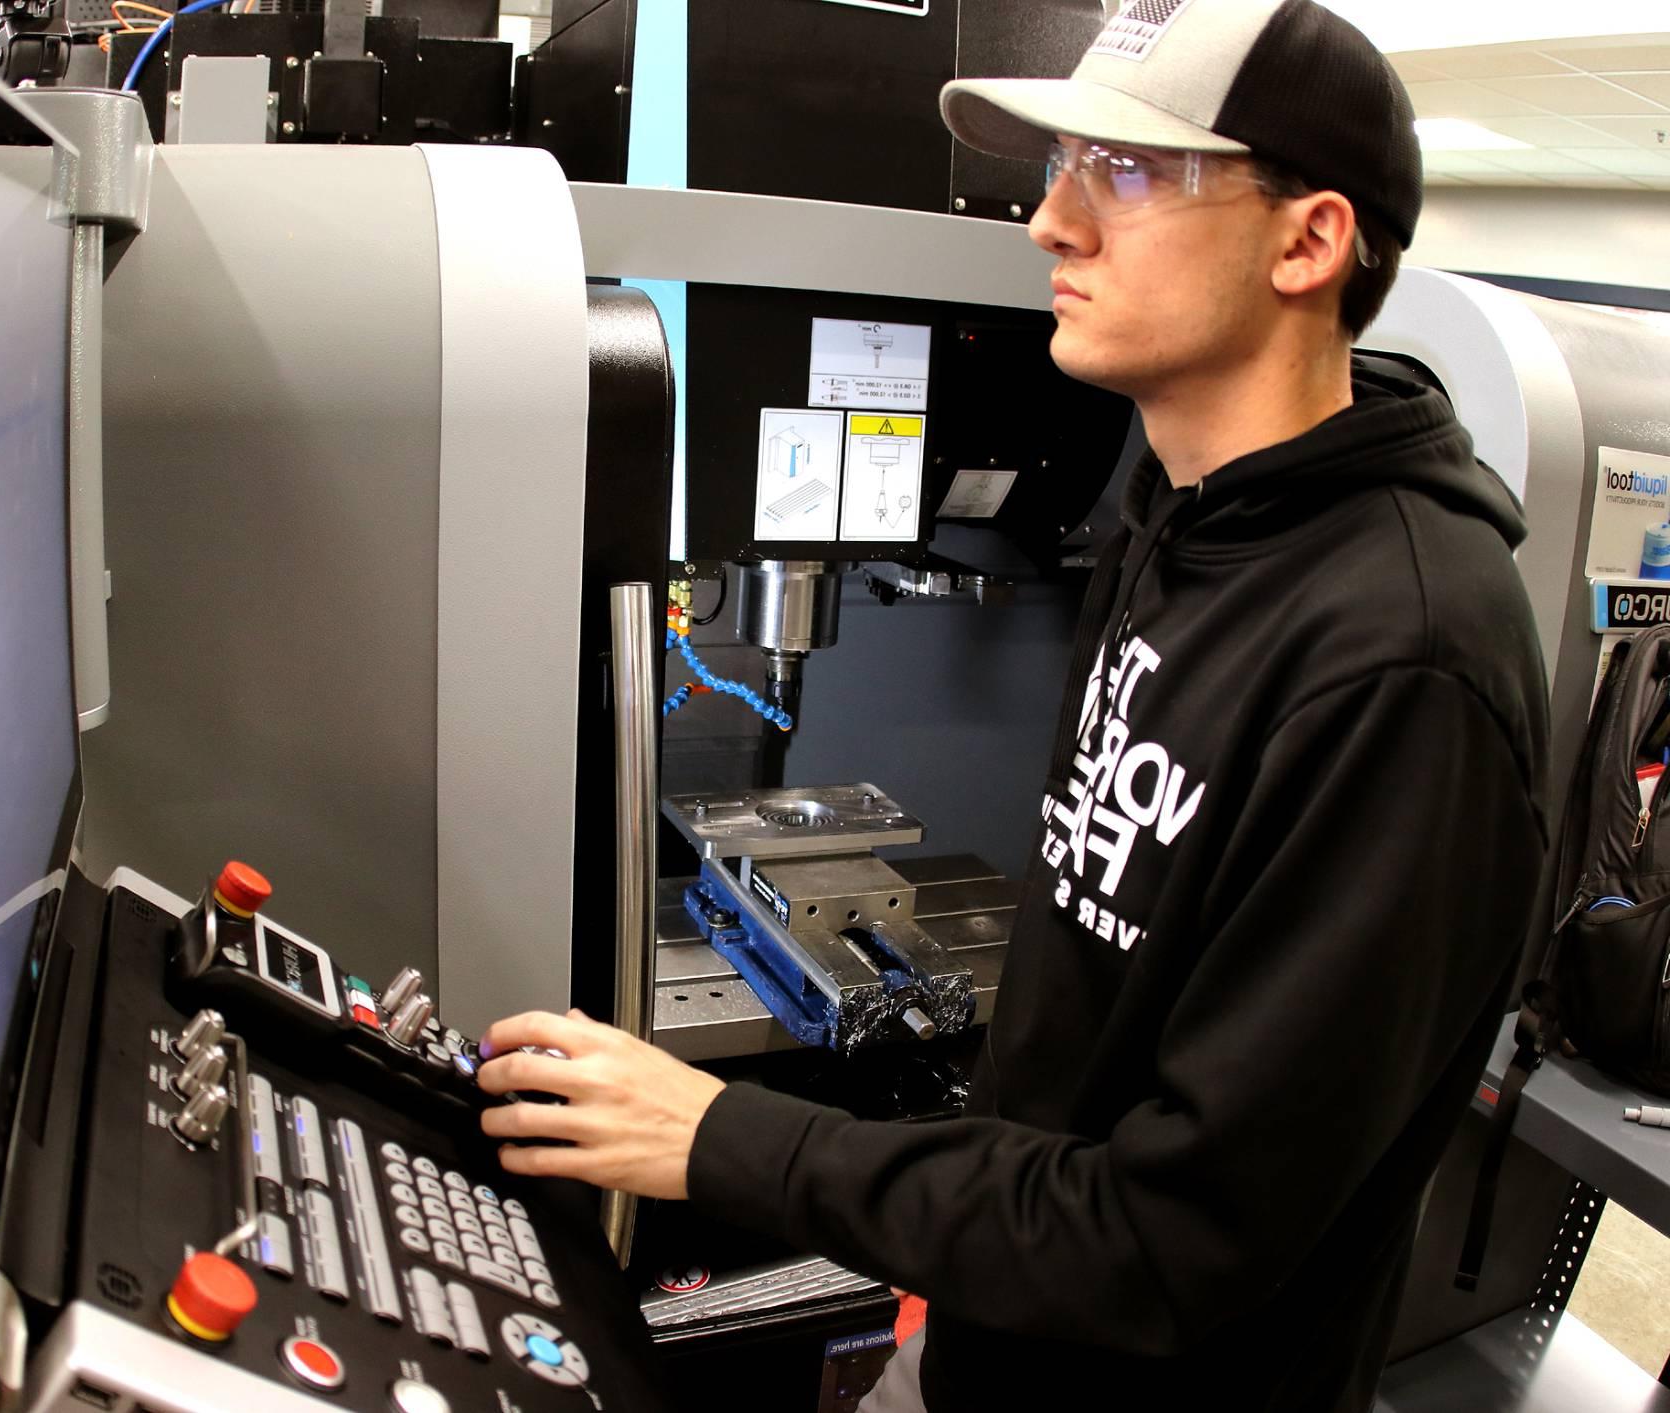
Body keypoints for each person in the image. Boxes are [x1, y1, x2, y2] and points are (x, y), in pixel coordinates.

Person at [470, 2, 1552, 1408]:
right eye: (1061, 167)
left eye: (1130, 173)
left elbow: (1172, 1241)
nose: (1051, 222)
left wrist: (724, 1135)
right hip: (990, 1345)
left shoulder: (1409, 666)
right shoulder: (1177, 513)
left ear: (1308, 240)